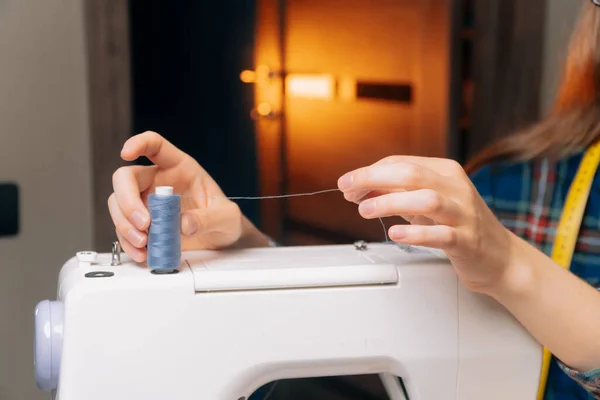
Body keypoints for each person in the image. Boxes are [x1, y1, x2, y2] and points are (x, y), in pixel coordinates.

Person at [108, 3, 600, 398]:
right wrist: (237, 247)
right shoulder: (510, 185)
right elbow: (356, 323)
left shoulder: (498, 210)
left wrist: (509, 263)